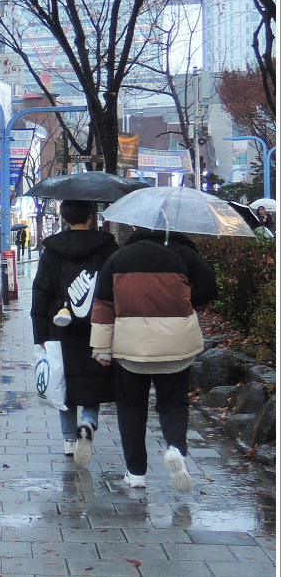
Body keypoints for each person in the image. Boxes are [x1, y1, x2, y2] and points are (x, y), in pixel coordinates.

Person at [91, 227, 217, 491]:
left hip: (131, 347)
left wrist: (101, 347)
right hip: (176, 344)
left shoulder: (120, 257)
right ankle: (175, 448)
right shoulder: (186, 255)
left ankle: (136, 472)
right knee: (174, 403)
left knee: (131, 408)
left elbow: (103, 303)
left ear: (137, 228)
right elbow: (207, 292)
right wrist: (182, 301)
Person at [30, 200, 119, 461]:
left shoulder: (52, 250)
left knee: (63, 381)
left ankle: (69, 439)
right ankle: (89, 422)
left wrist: (40, 335)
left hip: (60, 326)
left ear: (64, 218)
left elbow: (40, 293)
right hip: (98, 325)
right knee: (93, 380)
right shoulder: (108, 248)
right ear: (91, 217)